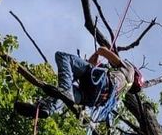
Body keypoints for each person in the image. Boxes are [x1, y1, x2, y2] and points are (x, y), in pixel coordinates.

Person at [14, 46, 144, 120]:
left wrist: (97, 53)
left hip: (100, 82)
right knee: (66, 95)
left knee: (62, 56)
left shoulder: (130, 70)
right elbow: (92, 66)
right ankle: (46, 108)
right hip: (93, 99)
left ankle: (63, 93)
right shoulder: (120, 92)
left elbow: (103, 50)